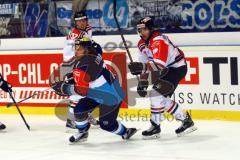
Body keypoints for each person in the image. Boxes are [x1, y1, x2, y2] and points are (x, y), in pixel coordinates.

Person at [52, 37, 137, 143]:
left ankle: (125, 132)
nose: (76, 51)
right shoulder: (96, 53)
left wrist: (64, 88)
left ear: (87, 49)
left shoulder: (83, 65)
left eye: (79, 49)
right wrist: (72, 78)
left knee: (106, 124)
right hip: (99, 93)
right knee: (78, 110)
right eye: (75, 48)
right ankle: (83, 133)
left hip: (112, 96)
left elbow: (82, 91)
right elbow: (88, 76)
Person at [128, 17, 197, 139]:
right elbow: (145, 62)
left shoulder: (159, 41)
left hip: (177, 68)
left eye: (144, 29)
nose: (141, 33)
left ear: (150, 29)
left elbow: (159, 65)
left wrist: (141, 67)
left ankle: (155, 127)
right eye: (139, 30)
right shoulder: (142, 44)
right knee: (161, 98)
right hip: (168, 69)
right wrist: (142, 81)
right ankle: (186, 121)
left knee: (156, 95)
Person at [62, 11, 99, 129]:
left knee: (90, 91)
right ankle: (71, 120)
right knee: (78, 93)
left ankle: (85, 114)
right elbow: (67, 57)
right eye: (79, 21)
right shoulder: (74, 35)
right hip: (74, 64)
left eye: (84, 20)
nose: (82, 23)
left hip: (85, 63)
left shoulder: (88, 29)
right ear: (75, 22)